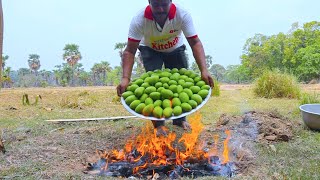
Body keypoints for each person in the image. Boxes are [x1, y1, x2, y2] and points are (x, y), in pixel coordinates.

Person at [117, 0, 214, 136]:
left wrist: (204, 70)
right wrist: (125, 78)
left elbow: (195, 42)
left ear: (171, 1)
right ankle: (159, 126)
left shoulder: (182, 14)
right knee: (152, 86)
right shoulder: (139, 20)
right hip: (150, 49)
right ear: (149, 2)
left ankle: (179, 120)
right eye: (156, 4)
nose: (161, 9)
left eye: (164, 4)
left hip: (175, 48)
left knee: (180, 81)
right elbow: (129, 51)